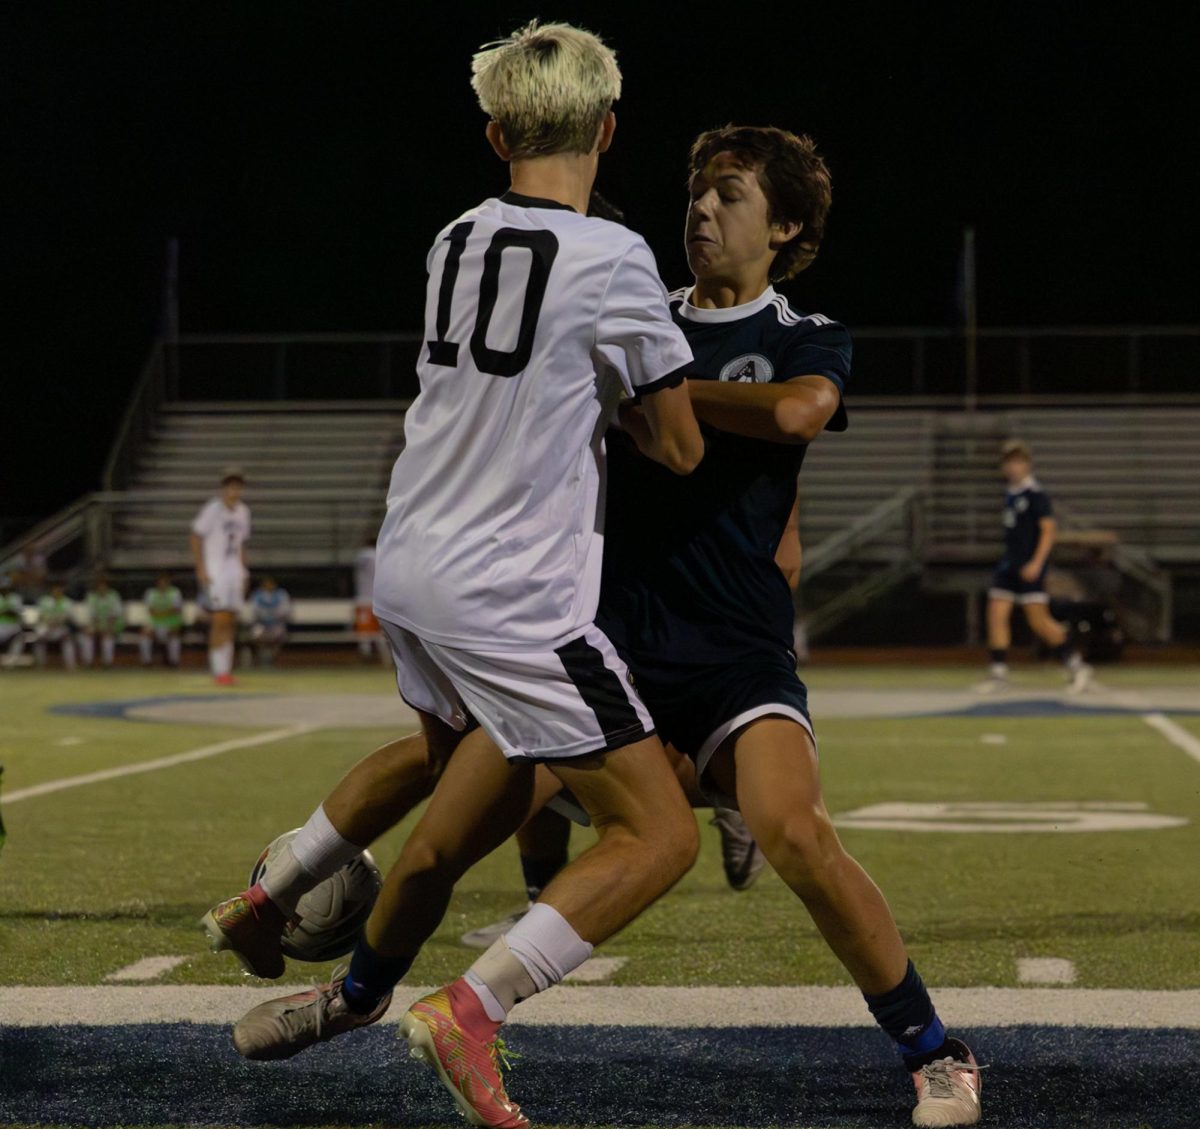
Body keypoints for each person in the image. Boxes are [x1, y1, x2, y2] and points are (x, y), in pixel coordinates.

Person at [207, 123, 983, 1127]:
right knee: (442, 837)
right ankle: (352, 999)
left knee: (797, 830)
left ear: (784, 225)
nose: (702, 209)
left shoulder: (801, 334)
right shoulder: (624, 300)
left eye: (732, 194)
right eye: (698, 190)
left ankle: (935, 1051)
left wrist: (647, 380)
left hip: (733, 651)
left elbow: (796, 414)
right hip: (599, 638)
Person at [202, 20, 705, 1129]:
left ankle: (277, 898)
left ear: (494, 136)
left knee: (443, 758)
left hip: (415, 560)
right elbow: (676, 446)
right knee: (660, 833)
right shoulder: (616, 258)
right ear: (609, 129)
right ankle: (474, 1007)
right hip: (513, 584)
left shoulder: (452, 238)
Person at [977, 438, 1091, 693]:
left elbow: (1048, 531)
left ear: (1027, 464)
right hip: (1009, 564)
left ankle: (1075, 663)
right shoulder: (1009, 494)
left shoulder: (1036, 495)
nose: (1013, 467)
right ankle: (998, 672)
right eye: (1009, 462)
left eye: (1018, 462)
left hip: (1030, 565)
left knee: (1039, 621)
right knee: (996, 613)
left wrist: (1037, 563)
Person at [189, 467, 251, 686]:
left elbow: (242, 544)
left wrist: (244, 572)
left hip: (234, 572)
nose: (233, 490)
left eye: (237, 486)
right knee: (219, 620)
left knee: (231, 620)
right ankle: (219, 670)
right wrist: (201, 568)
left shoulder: (243, 511)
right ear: (224, 488)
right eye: (230, 485)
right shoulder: (213, 509)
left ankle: (227, 668)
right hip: (217, 572)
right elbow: (196, 536)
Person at [352, 539, 389, 665]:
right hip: (376, 598)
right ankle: (384, 658)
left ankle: (365, 655)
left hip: (361, 597)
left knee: (364, 632)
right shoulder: (376, 555)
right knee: (380, 631)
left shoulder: (359, 556)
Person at [140, 573, 184, 668]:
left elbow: (177, 610)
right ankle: (147, 662)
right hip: (154, 624)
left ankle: (174, 661)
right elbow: (151, 611)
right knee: (145, 633)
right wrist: (167, 612)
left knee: (174, 634)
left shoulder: (175, 592)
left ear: (169, 583)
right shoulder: (150, 593)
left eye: (165, 582)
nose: (163, 584)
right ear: (157, 583)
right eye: (161, 582)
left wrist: (160, 613)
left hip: (171, 623)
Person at [79, 574, 123, 668]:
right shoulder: (91, 597)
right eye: (99, 586)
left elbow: (115, 615)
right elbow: (91, 615)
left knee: (107, 636)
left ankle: (108, 663)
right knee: (87, 635)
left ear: (107, 586)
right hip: (96, 625)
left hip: (112, 625)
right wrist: (95, 628)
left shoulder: (114, 595)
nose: (102, 588)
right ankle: (88, 662)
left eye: (104, 586)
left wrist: (108, 628)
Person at [246, 576, 292, 667]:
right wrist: (264, 617)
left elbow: (286, 610)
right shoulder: (257, 595)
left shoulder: (281, 594)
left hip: (276, 624)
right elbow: (254, 611)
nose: (268, 586)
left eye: (271, 584)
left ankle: (271, 658)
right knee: (256, 634)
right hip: (261, 624)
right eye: (266, 584)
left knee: (280, 635)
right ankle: (261, 657)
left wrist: (274, 616)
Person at [34, 581, 78, 670]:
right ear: (52, 591)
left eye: (59, 590)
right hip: (46, 626)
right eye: (55, 590)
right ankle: (40, 663)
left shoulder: (67, 602)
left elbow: (69, 618)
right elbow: (40, 616)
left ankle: (70, 665)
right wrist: (49, 622)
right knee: (39, 638)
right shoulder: (44, 601)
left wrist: (57, 622)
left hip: (60, 627)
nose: (57, 592)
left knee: (68, 639)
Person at [0, 575, 27, 669]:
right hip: (0, 626)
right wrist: (7, 611)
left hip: (13, 627)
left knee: (20, 636)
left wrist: (6, 611)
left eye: (6, 587)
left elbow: (17, 614)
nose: (4, 589)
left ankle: (12, 662)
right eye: (2, 587)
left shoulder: (16, 598)